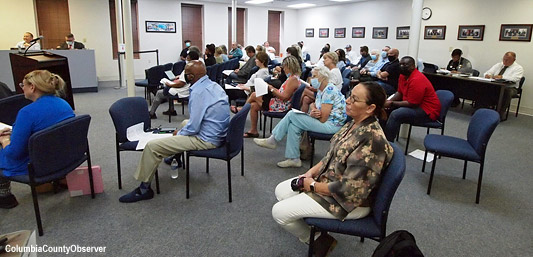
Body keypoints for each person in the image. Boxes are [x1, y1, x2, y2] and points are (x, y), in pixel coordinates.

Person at [271, 82, 393, 256]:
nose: (347, 101)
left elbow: (349, 190)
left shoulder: (372, 141)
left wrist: (311, 186)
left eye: (354, 99)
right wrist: (310, 173)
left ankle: (318, 240)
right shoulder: (353, 123)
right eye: (350, 96)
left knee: (279, 212)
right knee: (281, 191)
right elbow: (331, 156)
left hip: (349, 202)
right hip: (330, 183)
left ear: (370, 108)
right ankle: (320, 233)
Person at [119, 61, 230, 203]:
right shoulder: (213, 85)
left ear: (190, 76)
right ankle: (175, 157)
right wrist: (182, 130)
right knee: (184, 124)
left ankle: (144, 189)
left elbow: (194, 127)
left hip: (206, 139)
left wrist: (180, 134)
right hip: (217, 132)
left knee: (152, 147)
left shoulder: (198, 92)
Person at [0, 70, 75, 209]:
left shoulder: (27, 112)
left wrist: (4, 141)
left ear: (32, 87)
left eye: (23, 85)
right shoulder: (63, 104)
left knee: (2, 150)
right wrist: (15, 132)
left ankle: (4, 196)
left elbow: (14, 153)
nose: (22, 88)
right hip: (64, 158)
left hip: (38, 164)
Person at [254, 66, 347, 168]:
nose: (312, 78)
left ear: (323, 77)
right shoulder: (322, 89)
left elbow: (323, 118)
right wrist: (313, 109)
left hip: (332, 125)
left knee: (292, 115)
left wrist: (314, 113)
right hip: (327, 122)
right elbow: (315, 105)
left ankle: (273, 140)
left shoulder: (329, 91)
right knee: (294, 126)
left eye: (315, 76)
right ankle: (294, 159)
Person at [384, 56, 441, 141]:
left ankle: (388, 143)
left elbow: (412, 103)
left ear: (412, 66)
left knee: (396, 114)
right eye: (400, 64)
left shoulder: (417, 79)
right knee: (384, 109)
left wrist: (392, 103)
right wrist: (388, 101)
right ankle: (381, 137)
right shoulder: (403, 76)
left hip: (427, 110)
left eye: (405, 65)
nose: (402, 67)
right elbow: (400, 92)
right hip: (413, 104)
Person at [244, 56, 301, 138]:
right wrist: (272, 88)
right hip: (279, 102)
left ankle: (241, 112)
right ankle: (253, 131)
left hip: (281, 106)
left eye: (284, 67)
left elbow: (284, 97)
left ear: (289, 67)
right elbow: (283, 92)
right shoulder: (293, 78)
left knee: (253, 95)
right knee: (253, 105)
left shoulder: (293, 80)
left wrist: (271, 89)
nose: (284, 70)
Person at [149, 50, 201, 119]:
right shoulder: (198, 68)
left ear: (190, 58)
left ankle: (151, 113)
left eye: (187, 57)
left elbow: (181, 84)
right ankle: (171, 110)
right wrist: (180, 76)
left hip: (183, 91)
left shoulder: (188, 68)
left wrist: (170, 84)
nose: (186, 58)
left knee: (160, 92)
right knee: (168, 89)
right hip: (189, 89)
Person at [484, 51, 524, 118]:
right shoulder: (499, 65)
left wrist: (502, 77)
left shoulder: (518, 68)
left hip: (511, 87)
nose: (505, 61)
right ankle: (482, 109)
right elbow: (488, 72)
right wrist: (487, 75)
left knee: (506, 92)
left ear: (514, 60)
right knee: (483, 87)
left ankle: (499, 114)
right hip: (496, 85)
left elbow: (515, 79)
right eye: (504, 59)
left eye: (507, 60)